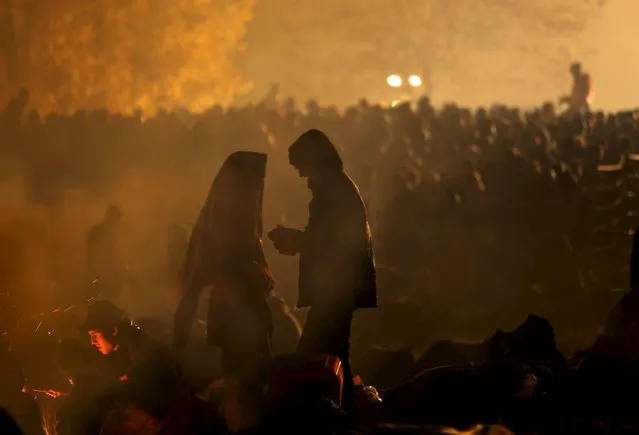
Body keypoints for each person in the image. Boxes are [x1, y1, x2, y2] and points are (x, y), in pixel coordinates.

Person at [268, 129, 377, 422]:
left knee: (312, 357)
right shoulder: (337, 187)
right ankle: (351, 416)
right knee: (337, 356)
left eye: (302, 167)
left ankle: (335, 418)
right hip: (340, 288)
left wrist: (295, 240)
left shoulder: (333, 191)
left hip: (337, 289)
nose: (302, 176)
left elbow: (332, 242)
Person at [174, 151, 275, 427]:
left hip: (244, 318)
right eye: (254, 184)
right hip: (236, 320)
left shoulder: (237, 223)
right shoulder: (226, 226)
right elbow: (223, 272)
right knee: (243, 387)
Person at [81, 300, 184, 420]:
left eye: (95, 335)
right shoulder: (122, 350)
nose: (92, 342)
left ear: (114, 330)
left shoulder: (141, 350)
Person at [85, 205, 127, 300]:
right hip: (100, 278)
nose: (117, 225)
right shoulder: (97, 232)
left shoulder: (107, 233)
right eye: (116, 220)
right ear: (110, 217)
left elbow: (114, 255)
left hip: (107, 278)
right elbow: (94, 257)